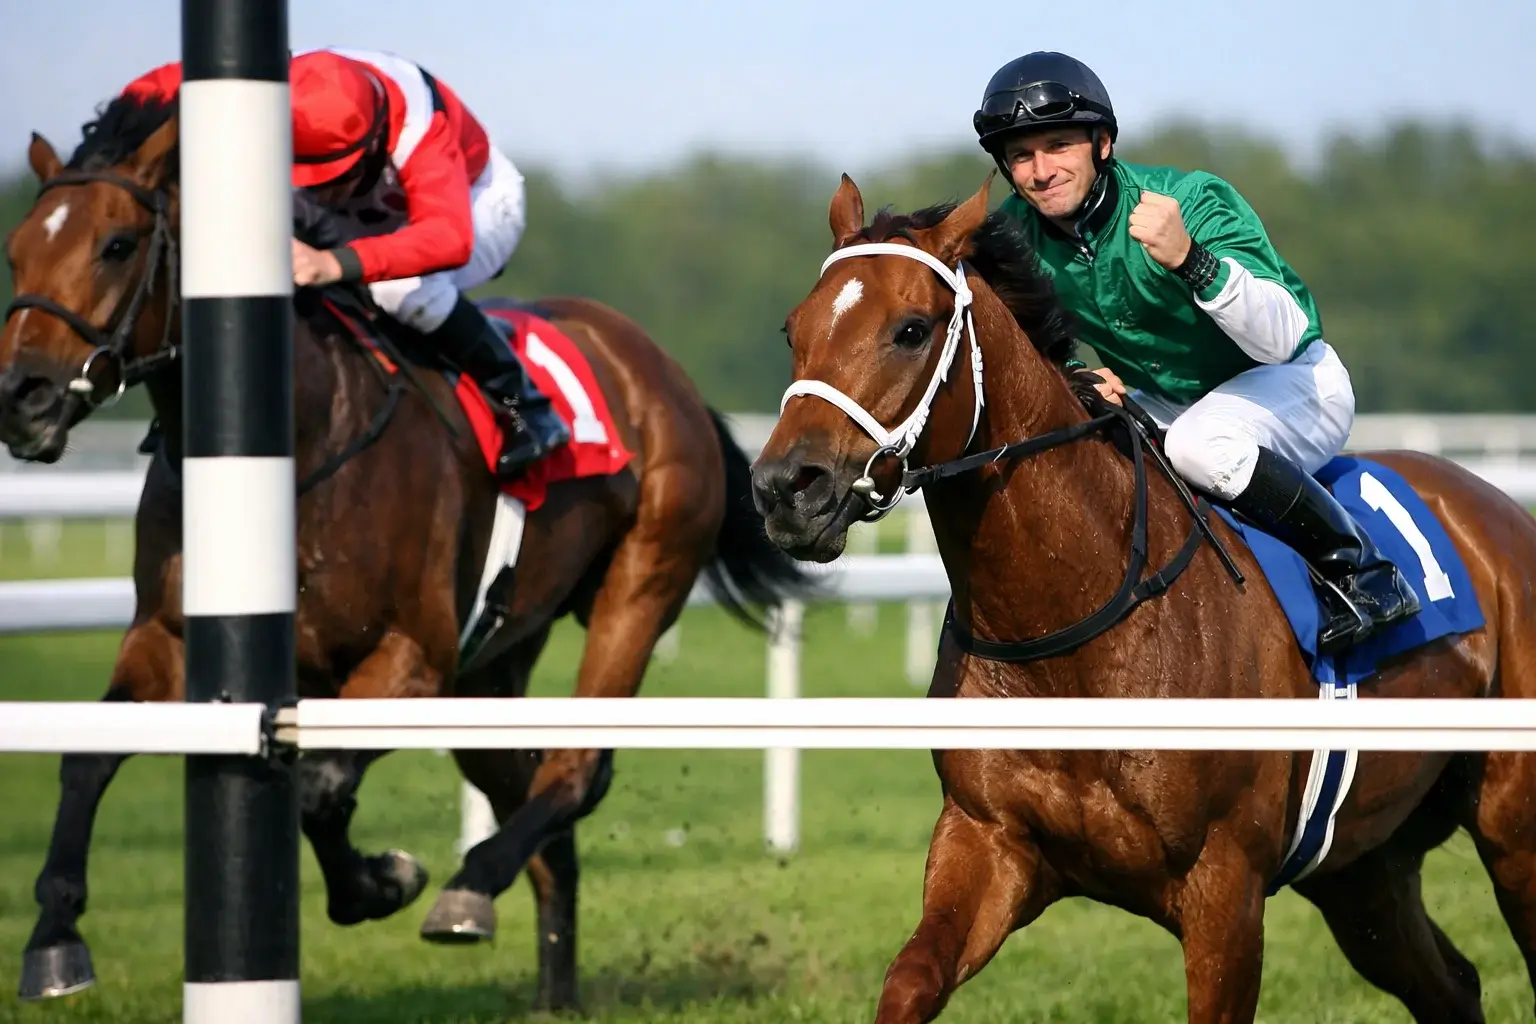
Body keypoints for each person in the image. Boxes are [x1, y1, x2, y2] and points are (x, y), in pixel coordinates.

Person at [971, 50, 1419, 654]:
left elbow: (1285, 337)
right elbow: (1021, 351)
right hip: (1169, 402)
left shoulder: (1194, 199)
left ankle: (1363, 570)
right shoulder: (1012, 241)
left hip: (1293, 384)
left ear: (1102, 143)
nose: (1040, 170)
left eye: (1058, 146)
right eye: (1021, 156)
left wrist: (1192, 259)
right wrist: (1078, 375)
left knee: (1199, 445)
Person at [120, 47, 569, 479]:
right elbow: (155, 88)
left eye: (332, 178)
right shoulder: (286, 82)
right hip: (373, 211)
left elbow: (447, 238)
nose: (319, 190)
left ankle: (523, 405)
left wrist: (335, 264)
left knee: (400, 289)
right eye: (308, 172)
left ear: (374, 141)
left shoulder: (420, 127)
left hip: (475, 205)